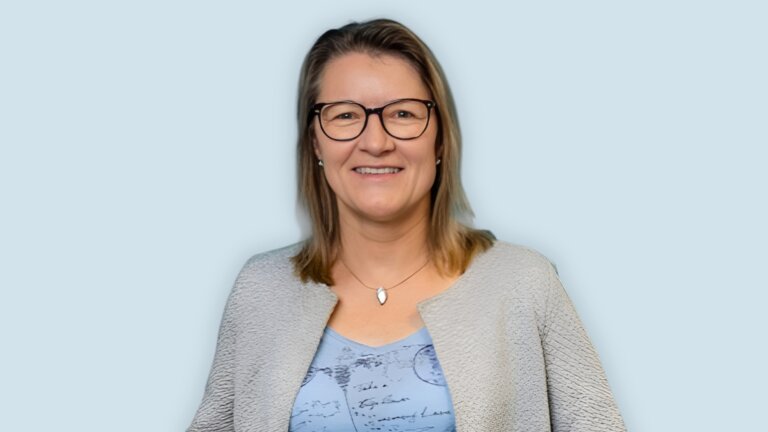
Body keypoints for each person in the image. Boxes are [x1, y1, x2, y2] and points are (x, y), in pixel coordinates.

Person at [187, 18, 626, 432]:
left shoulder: (524, 284)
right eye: (345, 115)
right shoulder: (260, 290)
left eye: (403, 114)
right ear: (315, 143)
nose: (376, 142)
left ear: (440, 138)